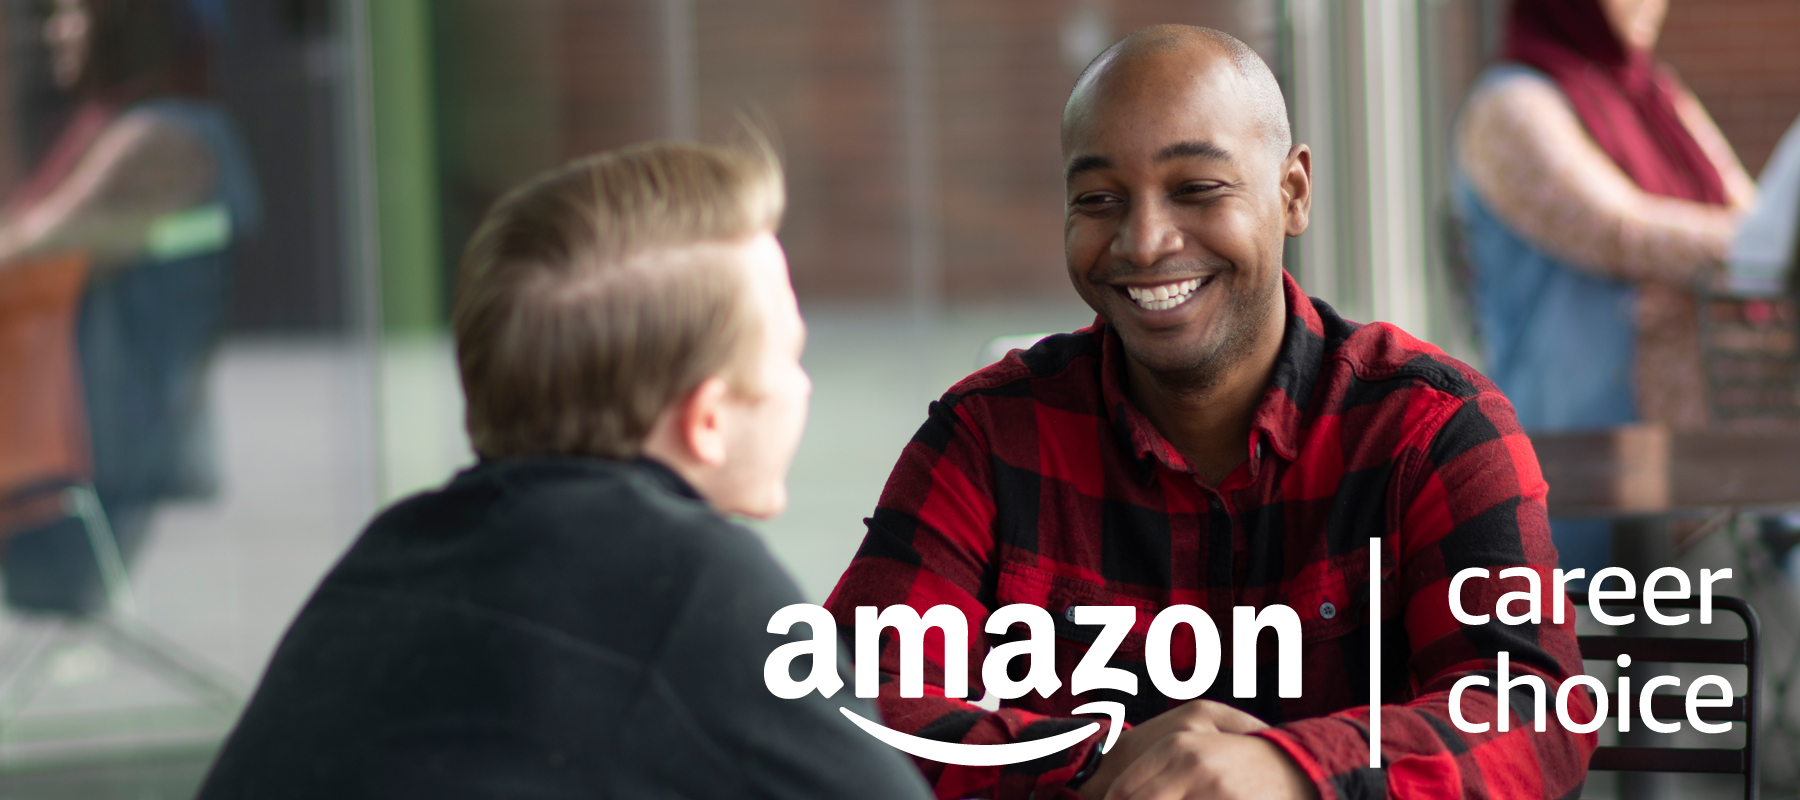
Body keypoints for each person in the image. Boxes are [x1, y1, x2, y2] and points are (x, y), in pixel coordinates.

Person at [825, 25, 1590, 800]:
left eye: (1197, 188)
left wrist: (1290, 769)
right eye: (1097, 199)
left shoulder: (1432, 427)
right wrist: (1103, 767)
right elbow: (843, 709)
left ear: (1292, 193)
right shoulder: (989, 435)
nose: (1145, 241)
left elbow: (1535, 716)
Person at [196, 142, 932, 799]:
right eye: (790, 355)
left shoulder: (393, 550)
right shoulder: (692, 583)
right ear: (706, 421)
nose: (803, 384)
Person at [1450, 0, 1755, 577]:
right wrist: (1753, 251)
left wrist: (1717, 265)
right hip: (1580, 460)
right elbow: (1619, 230)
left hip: (1697, 451)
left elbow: (1745, 214)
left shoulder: (1653, 93)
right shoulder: (1510, 106)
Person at [0, 0, 261, 614]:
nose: (54, 32)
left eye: (71, 15)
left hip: (93, 442)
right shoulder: (119, 126)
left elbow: (24, 258)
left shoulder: (166, 136)